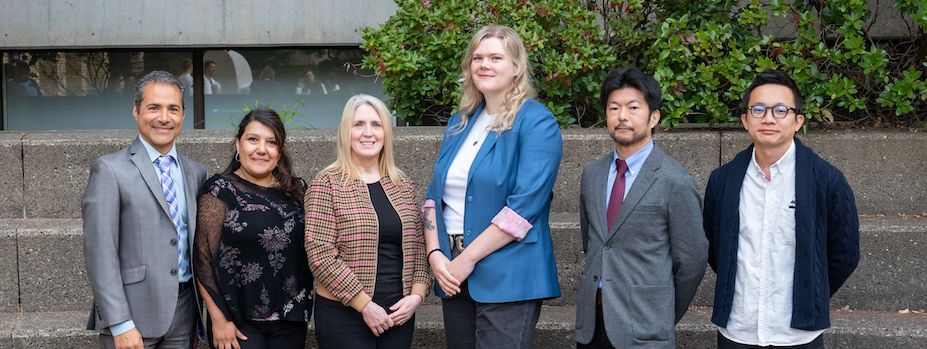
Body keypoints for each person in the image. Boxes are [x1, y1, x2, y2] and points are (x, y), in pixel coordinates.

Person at [422, 24, 562, 349]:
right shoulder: (459, 123)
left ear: (516, 67)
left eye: (496, 57)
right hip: (452, 272)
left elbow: (523, 208)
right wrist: (435, 255)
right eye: (478, 57)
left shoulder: (537, 122)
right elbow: (433, 198)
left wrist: (466, 259)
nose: (484, 64)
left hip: (508, 275)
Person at [703, 69, 860, 348]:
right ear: (745, 120)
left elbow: (845, 253)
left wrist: (809, 291)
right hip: (738, 330)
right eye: (759, 109)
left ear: (798, 121)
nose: (768, 118)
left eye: (780, 110)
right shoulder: (723, 180)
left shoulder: (826, 180)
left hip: (799, 335)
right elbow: (716, 249)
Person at [574, 68, 708, 349]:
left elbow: (692, 260)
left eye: (633, 107)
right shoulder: (592, 174)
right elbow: (595, 243)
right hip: (592, 323)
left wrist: (660, 311)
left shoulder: (675, 180)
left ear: (654, 117)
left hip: (645, 327)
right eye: (614, 107)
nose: (622, 116)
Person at [82, 70, 208, 349]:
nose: (164, 117)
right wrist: (120, 323)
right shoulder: (110, 169)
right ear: (136, 111)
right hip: (132, 316)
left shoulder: (197, 172)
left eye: (173, 109)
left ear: (183, 116)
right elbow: (100, 252)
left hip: (185, 313)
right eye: (154, 107)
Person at [305, 94, 430, 348]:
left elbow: (419, 245)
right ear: (345, 132)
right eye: (358, 124)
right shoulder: (327, 182)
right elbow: (320, 254)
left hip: (398, 313)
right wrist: (364, 304)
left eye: (376, 124)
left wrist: (417, 295)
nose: (368, 133)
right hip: (344, 314)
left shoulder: (400, 182)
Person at [194, 107, 313, 349]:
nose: (261, 149)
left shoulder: (298, 191)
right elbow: (202, 259)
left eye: (271, 142)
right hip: (237, 324)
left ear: (280, 151)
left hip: (290, 321)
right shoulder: (219, 190)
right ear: (238, 145)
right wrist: (219, 320)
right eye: (253, 140)